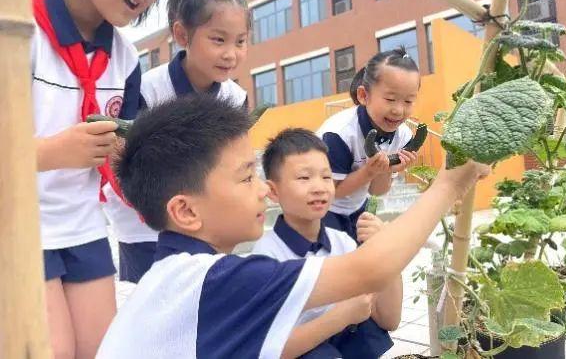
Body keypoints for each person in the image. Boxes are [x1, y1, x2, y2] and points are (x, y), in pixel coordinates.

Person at [97, 94, 489, 358]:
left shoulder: (172, 278)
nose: (262, 193)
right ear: (185, 211)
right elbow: (372, 268)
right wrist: (451, 183)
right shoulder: (211, 280)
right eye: (247, 177)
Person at [33, 0, 172, 356]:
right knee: (52, 350)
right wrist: (51, 153)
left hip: (83, 228)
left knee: (101, 350)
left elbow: (122, 154)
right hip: (15, 227)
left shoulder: (126, 59)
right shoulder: (18, 28)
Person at [103, 0, 249, 284]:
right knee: (147, 307)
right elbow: (123, 163)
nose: (230, 54)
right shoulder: (147, 90)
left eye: (240, 41)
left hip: (204, 226)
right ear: (182, 34)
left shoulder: (236, 99)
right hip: (144, 227)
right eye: (218, 40)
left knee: (198, 305)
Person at [253, 128, 402, 358]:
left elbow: (389, 319)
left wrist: (385, 249)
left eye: (326, 177)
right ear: (273, 191)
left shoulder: (342, 243)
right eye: (304, 177)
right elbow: (269, 349)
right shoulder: (266, 257)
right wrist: (343, 315)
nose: (319, 187)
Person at [317, 48, 420, 241]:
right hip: (321, 211)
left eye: (408, 101)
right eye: (390, 99)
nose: (399, 110)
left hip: (357, 208)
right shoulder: (338, 135)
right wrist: (369, 171)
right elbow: (332, 192)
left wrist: (388, 168)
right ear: (364, 96)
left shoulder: (403, 134)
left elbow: (376, 191)